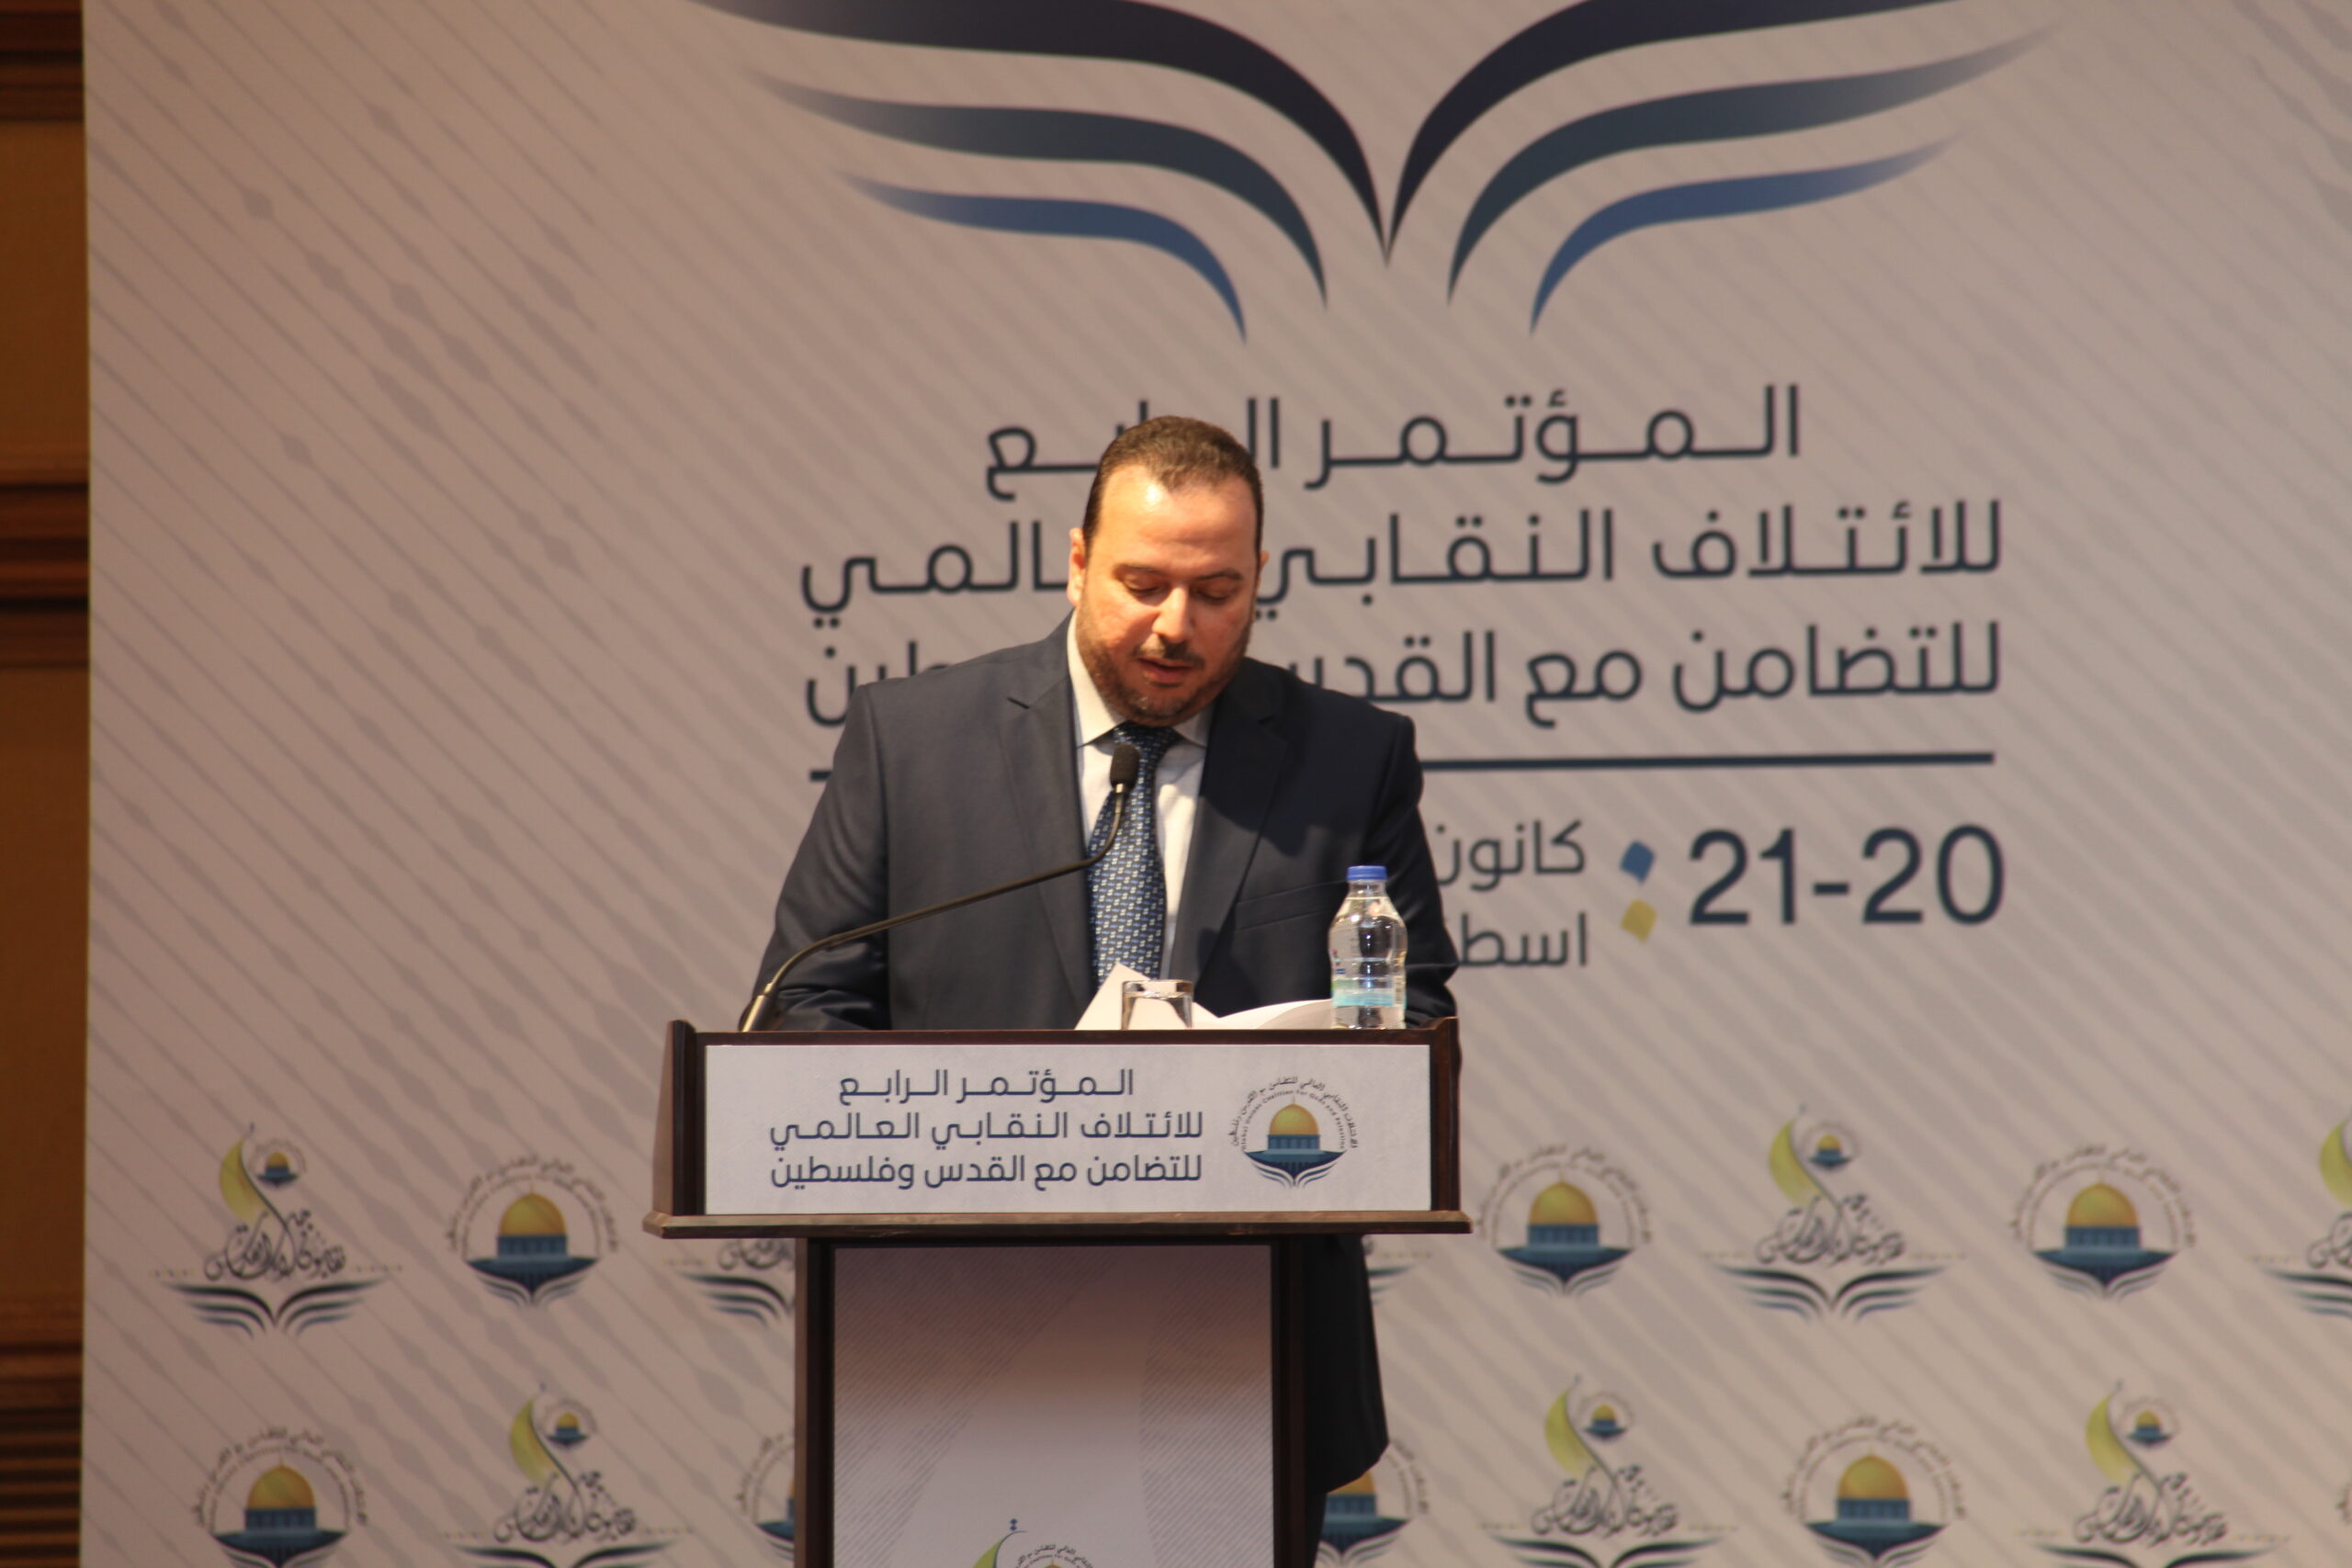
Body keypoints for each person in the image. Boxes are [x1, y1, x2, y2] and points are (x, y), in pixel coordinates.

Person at [753, 414, 1455, 1562]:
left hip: (1240, 1352)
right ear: (1076, 560)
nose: (1176, 626)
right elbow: (806, 1009)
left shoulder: (1348, 758)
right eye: (1142, 584)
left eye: (1216, 592)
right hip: (942, 1341)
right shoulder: (912, 741)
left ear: (1259, 578)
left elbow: (1411, 1022)